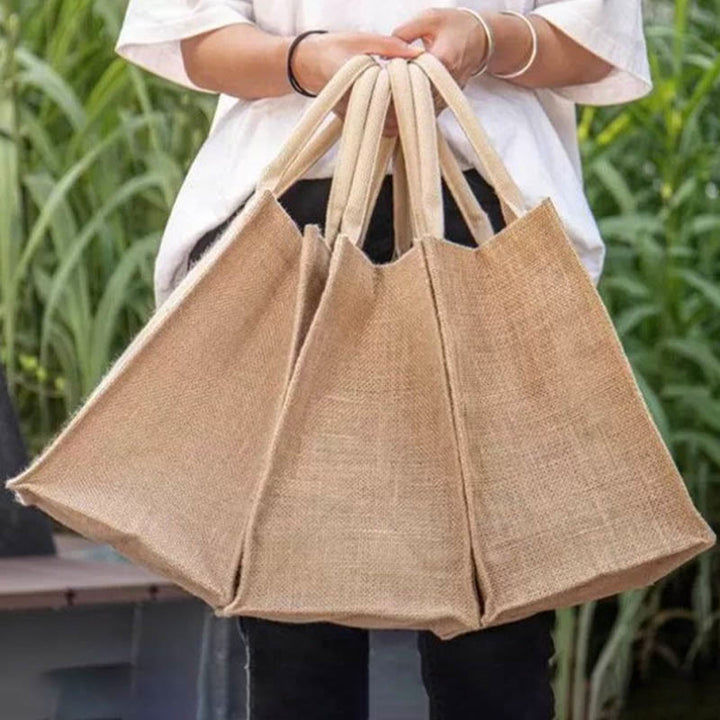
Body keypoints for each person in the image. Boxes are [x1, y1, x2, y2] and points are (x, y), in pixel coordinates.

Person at [115, 3, 652, 718]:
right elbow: (191, 34)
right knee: (293, 624)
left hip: (484, 214)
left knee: (495, 625)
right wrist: (305, 61)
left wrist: (486, 40)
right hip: (289, 208)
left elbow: (593, 40)